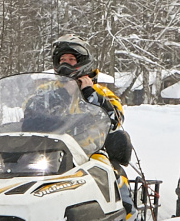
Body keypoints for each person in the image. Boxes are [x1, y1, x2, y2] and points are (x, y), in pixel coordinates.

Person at [49, 36, 131, 167]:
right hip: (53, 153)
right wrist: (63, 94)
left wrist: (90, 94)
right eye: (62, 60)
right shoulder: (47, 91)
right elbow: (31, 116)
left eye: (71, 59)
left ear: (81, 62)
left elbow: (115, 120)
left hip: (92, 153)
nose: (65, 64)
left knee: (101, 174)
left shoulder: (101, 92)